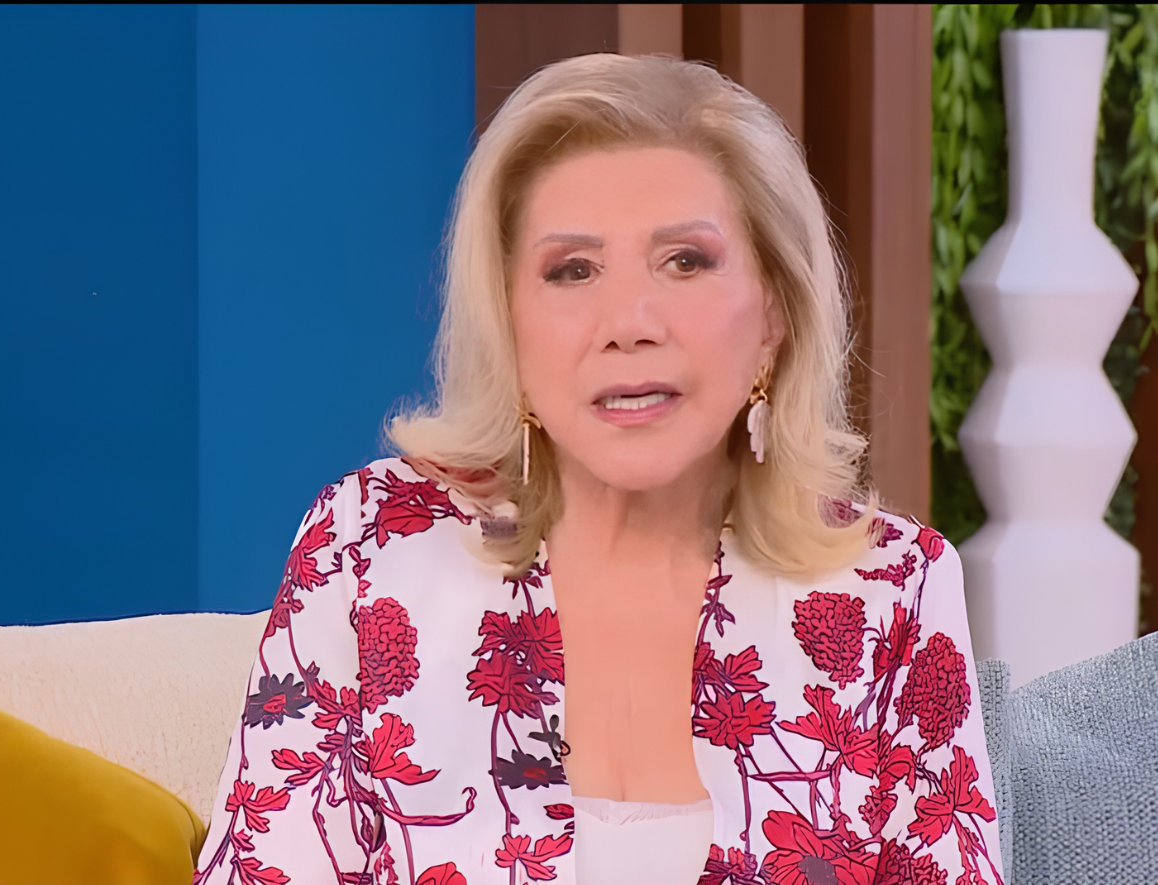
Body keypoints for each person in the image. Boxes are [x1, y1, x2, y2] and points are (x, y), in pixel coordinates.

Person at [196, 53, 1004, 885]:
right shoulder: (368, 546)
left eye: (685, 261)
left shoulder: (893, 590)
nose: (628, 322)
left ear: (773, 313)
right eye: (573, 270)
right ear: (509, 321)